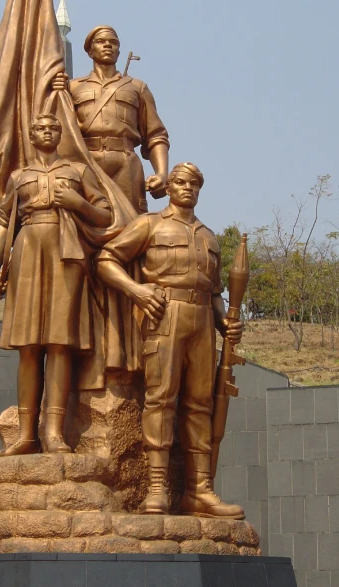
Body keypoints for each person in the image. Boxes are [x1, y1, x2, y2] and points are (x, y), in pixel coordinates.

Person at [96, 163, 245, 519]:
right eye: (180, 181)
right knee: (160, 400)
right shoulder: (150, 225)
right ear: (169, 186)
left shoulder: (209, 237)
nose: (187, 188)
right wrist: (136, 291)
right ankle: (157, 489)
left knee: (199, 405)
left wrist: (225, 323)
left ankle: (199, 491)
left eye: (194, 183)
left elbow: (214, 292)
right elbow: (106, 259)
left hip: (201, 323)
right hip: (165, 315)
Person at [0, 114, 111, 456]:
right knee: (28, 345)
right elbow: (3, 221)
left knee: (59, 343)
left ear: (60, 134)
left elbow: (105, 215)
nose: (48, 131)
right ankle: (26, 434)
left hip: (66, 252)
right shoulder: (18, 176)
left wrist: (77, 203)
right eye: (41, 127)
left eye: (54, 127)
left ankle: (53, 432)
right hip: (28, 249)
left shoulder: (78, 172)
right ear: (30, 133)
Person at [52, 26, 169, 214]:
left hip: (125, 163)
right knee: (81, 221)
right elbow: (56, 129)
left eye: (113, 43)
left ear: (119, 51)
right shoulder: (72, 88)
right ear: (90, 51)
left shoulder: (137, 88)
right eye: (101, 42)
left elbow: (156, 136)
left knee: (131, 227)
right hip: (85, 163)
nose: (108, 45)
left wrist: (162, 173)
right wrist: (54, 93)